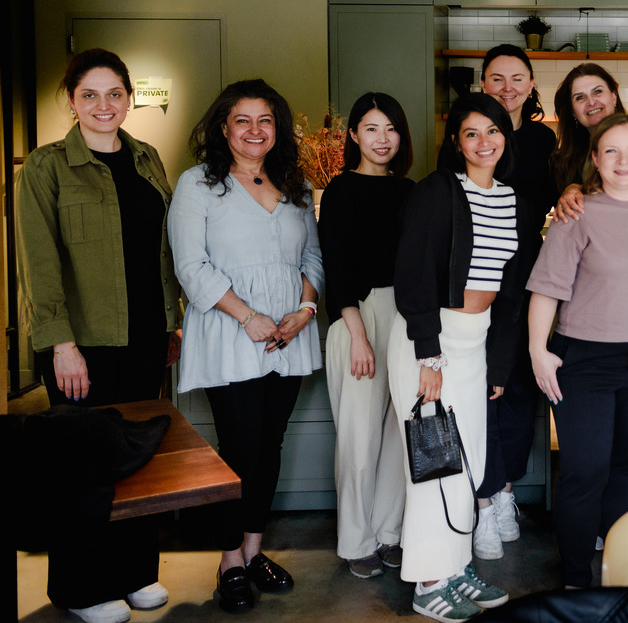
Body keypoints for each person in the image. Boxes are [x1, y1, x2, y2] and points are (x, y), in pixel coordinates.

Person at [15, 48, 180, 623]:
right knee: (82, 464)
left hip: (145, 334)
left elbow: (161, 251)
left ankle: (135, 573)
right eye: (89, 94)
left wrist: (172, 319)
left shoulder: (148, 159)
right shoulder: (45, 166)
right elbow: (39, 264)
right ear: (71, 101)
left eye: (114, 94)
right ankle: (81, 588)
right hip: (81, 343)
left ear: (129, 99)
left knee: (141, 454)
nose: (103, 106)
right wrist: (61, 343)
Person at [168, 79, 323, 614]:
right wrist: (249, 317)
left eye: (265, 121)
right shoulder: (197, 185)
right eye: (243, 121)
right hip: (231, 335)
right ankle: (229, 559)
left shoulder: (295, 185)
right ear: (223, 128)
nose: (255, 131)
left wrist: (304, 312)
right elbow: (190, 266)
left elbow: (314, 262)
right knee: (239, 449)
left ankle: (255, 551)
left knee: (270, 446)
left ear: (276, 129)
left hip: (289, 337)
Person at [388, 92, 525, 621]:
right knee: (433, 462)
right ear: (456, 142)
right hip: (431, 342)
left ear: (505, 138)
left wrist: (497, 363)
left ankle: (455, 564)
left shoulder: (512, 197)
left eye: (493, 132)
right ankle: (427, 581)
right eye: (472, 133)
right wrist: (430, 355)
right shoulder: (438, 191)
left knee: (467, 461)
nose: (484, 142)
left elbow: (509, 289)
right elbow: (414, 272)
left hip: (476, 340)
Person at [527, 114, 628, 588]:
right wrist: (538, 350)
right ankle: (575, 578)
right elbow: (546, 290)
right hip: (584, 360)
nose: (623, 160)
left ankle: (620, 569)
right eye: (610, 151)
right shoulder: (578, 213)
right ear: (594, 160)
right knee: (584, 470)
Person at [317, 92, 415, 579]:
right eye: (372, 128)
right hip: (359, 315)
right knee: (358, 437)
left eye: (391, 129)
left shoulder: (410, 191)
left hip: (407, 314)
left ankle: (390, 533)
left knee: (401, 432)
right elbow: (337, 268)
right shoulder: (339, 191)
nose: (383, 139)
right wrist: (357, 335)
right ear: (353, 134)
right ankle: (357, 541)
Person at [473, 44, 557, 561]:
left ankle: (506, 493)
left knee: (522, 388)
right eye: (497, 79)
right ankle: (487, 496)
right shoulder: (472, 131)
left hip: (529, 275)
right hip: (479, 278)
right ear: (484, 83)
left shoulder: (543, 137)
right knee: (486, 386)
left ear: (530, 85)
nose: (508, 87)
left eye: (517, 78)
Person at [549, 62, 627, 192]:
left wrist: (582, 189)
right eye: (580, 97)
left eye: (597, 91)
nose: (591, 102)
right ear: (572, 111)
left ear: (614, 97)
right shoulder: (564, 163)